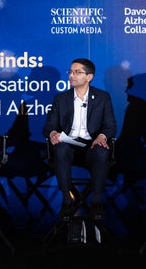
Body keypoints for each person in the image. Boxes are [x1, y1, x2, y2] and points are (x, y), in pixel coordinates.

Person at [43, 58, 116, 219]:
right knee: (60, 148)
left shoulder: (102, 97)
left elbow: (110, 125)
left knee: (102, 152)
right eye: (70, 72)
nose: (72, 75)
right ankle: (66, 200)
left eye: (77, 72)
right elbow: (49, 125)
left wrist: (102, 137)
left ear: (89, 77)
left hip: (91, 146)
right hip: (68, 146)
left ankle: (96, 201)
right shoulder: (61, 99)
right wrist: (53, 133)